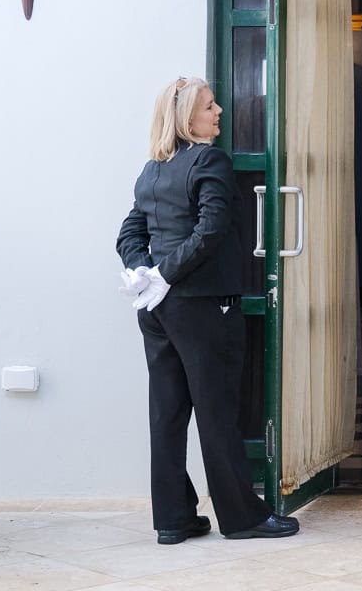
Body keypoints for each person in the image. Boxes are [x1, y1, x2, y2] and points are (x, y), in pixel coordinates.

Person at [116, 76, 299, 544]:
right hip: (201, 307)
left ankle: (174, 519)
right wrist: (162, 275)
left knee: (168, 413)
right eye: (210, 106)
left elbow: (129, 234)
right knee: (216, 411)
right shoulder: (209, 160)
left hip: (157, 309)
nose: (219, 111)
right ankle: (242, 518)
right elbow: (212, 228)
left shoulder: (152, 169)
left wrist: (146, 274)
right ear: (185, 118)